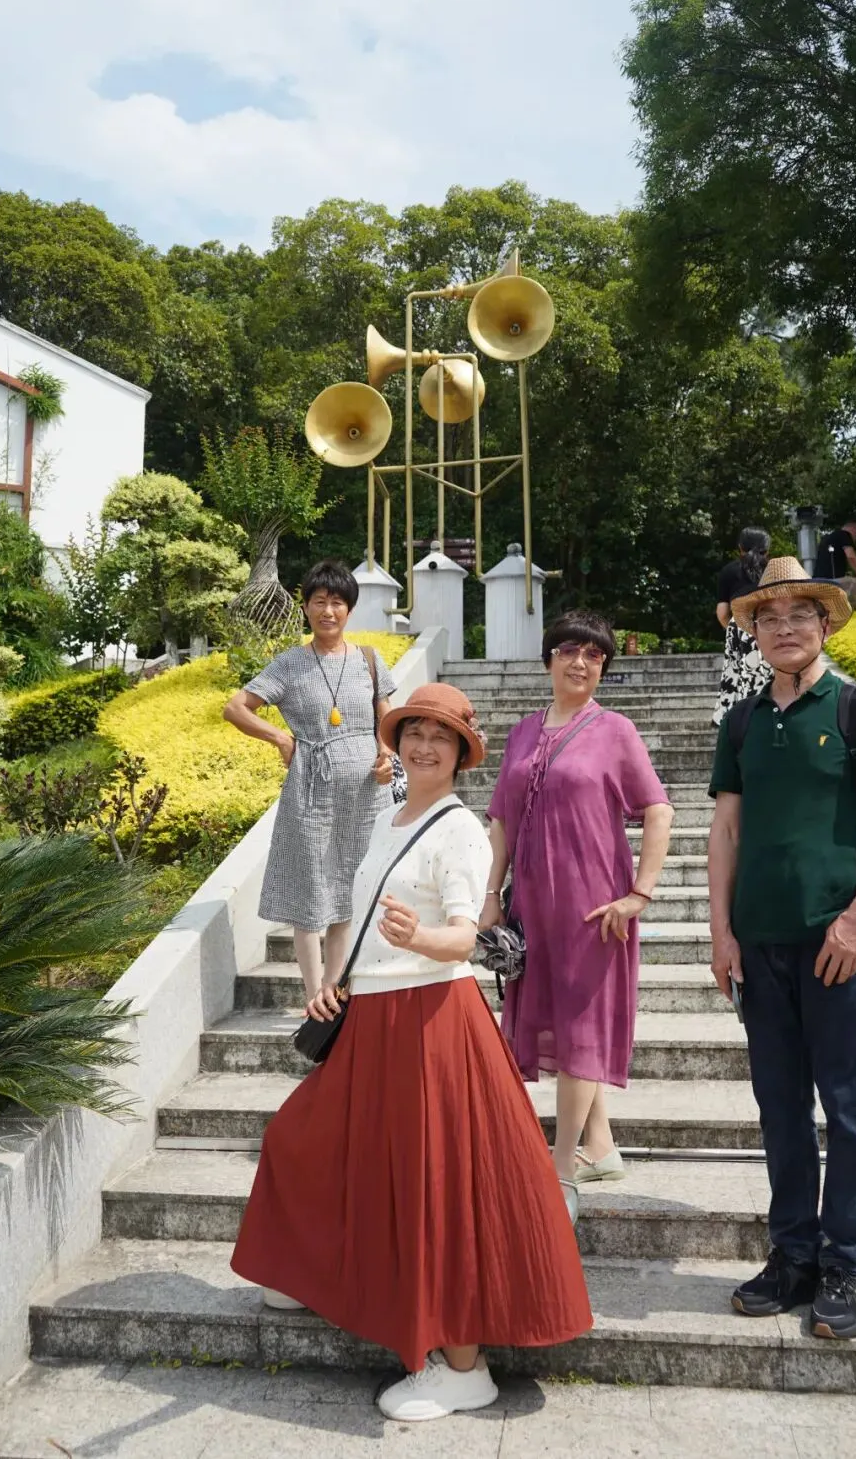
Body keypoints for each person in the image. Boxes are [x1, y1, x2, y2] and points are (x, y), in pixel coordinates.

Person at [230, 683, 592, 1422]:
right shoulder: (390, 817)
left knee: (436, 1188)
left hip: (430, 1020)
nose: (426, 745)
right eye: (415, 731)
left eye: (442, 736)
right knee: (306, 1141)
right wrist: (336, 984)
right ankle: (306, 1269)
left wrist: (419, 938)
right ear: (398, 741)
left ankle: (462, 1365)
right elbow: (360, 918)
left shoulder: (459, 831)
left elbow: (465, 935)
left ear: (461, 753)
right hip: (375, 1014)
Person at [707, 556, 856, 1340]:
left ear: (825, 624)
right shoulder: (740, 722)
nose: (784, 629)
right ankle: (793, 1255)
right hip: (760, 945)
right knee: (780, 1110)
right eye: (768, 618)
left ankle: (849, 1265)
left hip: (838, 946)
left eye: (800, 615)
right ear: (753, 633)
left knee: (849, 1109)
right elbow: (725, 830)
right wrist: (720, 931)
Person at [482, 610, 675, 1221]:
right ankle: (601, 1147)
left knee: (582, 1027)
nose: (581, 662)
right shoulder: (522, 732)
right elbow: (501, 818)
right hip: (532, 905)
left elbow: (659, 811)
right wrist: (490, 893)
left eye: (595, 655)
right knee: (563, 1023)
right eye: (570, 650)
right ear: (549, 659)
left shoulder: (615, 731)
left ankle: (560, 1170)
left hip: (595, 907)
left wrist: (639, 893)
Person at [222, 559, 396, 1002]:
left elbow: (388, 720)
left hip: (366, 795)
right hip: (311, 790)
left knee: (349, 890)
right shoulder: (289, 664)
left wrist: (386, 755)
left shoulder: (369, 660)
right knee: (312, 889)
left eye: (337, 603)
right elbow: (235, 708)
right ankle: (312, 993)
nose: (328, 611)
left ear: (349, 610)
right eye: (319, 602)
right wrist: (280, 737)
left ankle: (333, 989)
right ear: (305, 608)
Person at [712, 527, 773, 727]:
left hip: (738, 627)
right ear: (767, 550)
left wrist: (734, 629)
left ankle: (736, 723)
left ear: (740, 548)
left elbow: (722, 612)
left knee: (736, 678)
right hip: (770, 626)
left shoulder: (729, 571)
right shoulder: (774, 570)